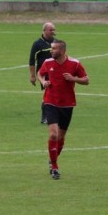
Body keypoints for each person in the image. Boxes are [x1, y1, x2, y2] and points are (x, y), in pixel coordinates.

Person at [38, 40, 89, 180]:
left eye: (54, 49)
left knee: (61, 137)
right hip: (50, 102)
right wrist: (43, 82)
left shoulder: (75, 63)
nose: (51, 51)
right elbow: (40, 74)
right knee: (53, 135)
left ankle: (53, 159)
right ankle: (54, 167)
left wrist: (73, 78)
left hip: (67, 104)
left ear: (62, 50)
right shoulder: (48, 62)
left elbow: (86, 80)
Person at [29, 22, 56, 124]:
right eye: (51, 30)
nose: (53, 32)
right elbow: (32, 61)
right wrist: (32, 76)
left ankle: (51, 115)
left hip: (55, 72)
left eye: (54, 30)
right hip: (43, 73)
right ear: (44, 30)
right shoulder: (37, 44)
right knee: (48, 93)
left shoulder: (56, 42)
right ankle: (45, 117)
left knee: (53, 93)